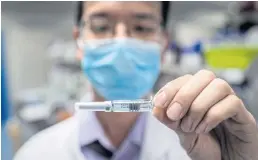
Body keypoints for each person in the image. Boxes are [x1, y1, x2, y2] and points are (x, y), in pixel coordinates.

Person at [14, 2, 258, 160]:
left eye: (141, 27)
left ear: (163, 43)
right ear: (78, 41)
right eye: (101, 26)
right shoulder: (35, 154)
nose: (121, 42)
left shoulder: (204, 149)